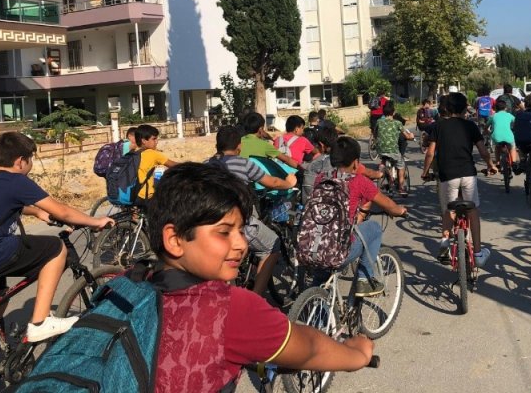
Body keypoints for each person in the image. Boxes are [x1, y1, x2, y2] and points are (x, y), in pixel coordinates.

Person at [145, 162, 374, 390]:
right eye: (224, 232)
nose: (241, 244)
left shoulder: (124, 284)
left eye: (242, 231)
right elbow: (311, 348)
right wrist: (358, 354)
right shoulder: (229, 308)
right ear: (174, 240)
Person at [0, 132, 114, 342]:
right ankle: (40, 322)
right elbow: (62, 211)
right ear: (20, 161)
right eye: (31, 159)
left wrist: (36, 212)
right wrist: (96, 221)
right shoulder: (16, 181)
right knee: (54, 248)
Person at [207, 125, 296, 296]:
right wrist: (290, 183)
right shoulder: (243, 163)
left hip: (210, 222)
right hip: (237, 222)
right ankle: (255, 297)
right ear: (239, 146)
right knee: (273, 245)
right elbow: (272, 183)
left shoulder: (206, 164)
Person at [322, 136, 407, 296]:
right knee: (374, 228)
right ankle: (363, 280)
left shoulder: (321, 179)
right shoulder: (359, 181)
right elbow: (390, 206)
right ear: (356, 162)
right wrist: (401, 211)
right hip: (337, 250)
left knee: (320, 286)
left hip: (313, 246)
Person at [421, 92, 497, 267]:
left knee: (450, 209)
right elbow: (483, 151)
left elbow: (430, 153)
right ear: (465, 109)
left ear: (446, 108)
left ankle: (444, 243)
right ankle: (477, 253)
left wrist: (425, 172)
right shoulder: (470, 126)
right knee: (473, 210)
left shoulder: (439, 126)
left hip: (447, 175)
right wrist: (491, 165)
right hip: (468, 174)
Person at [375, 102, 414, 196]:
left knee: (384, 159)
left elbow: (375, 134)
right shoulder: (397, 123)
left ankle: (383, 167)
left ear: (383, 112)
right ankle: (401, 187)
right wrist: (411, 136)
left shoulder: (379, 122)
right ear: (393, 112)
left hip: (380, 150)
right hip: (393, 151)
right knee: (401, 165)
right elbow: (407, 136)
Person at [135, 124, 178, 202]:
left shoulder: (134, 153)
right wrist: (192, 167)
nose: (157, 142)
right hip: (145, 195)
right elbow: (173, 165)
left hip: (133, 194)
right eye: (154, 139)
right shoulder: (153, 153)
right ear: (144, 141)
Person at [487, 98, 516, 167]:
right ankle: (514, 163)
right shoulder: (509, 115)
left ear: (496, 109)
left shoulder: (493, 116)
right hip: (508, 137)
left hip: (496, 137)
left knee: (497, 147)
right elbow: (516, 123)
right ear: (506, 108)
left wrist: (489, 132)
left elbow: (486, 127)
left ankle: (497, 162)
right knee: (512, 147)